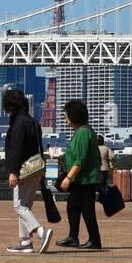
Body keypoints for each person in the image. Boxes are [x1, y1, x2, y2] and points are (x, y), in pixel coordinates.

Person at [3, 88, 53, 254]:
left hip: (23, 169)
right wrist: (43, 168)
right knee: (25, 206)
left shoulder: (19, 122)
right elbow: (40, 146)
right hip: (36, 168)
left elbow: (16, 148)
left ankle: (40, 231)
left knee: (19, 206)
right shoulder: (32, 121)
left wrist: (13, 171)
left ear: (10, 105)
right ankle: (25, 242)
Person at [56, 100, 102, 250]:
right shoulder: (82, 131)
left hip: (84, 179)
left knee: (87, 210)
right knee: (73, 207)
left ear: (73, 116)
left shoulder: (83, 132)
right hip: (80, 179)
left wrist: (68, 178)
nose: (65, 119)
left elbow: (80, 159)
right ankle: (73, 237)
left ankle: (94, 240)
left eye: (66, 116)